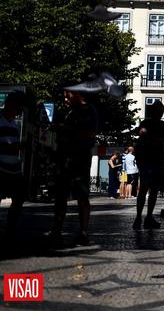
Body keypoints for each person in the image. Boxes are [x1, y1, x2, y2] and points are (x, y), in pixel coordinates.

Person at [49, 88, 99, 246]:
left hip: (80, 159)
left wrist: (66, 129)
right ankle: (57, 230)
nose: (65, 99)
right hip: (65, 158)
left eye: (67, 95)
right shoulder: (70, 112)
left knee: (82, 195)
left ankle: (83, 232)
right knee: (61, 195)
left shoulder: (89, 110)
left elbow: (90, 134)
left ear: (77, 93)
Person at [133, 101, 164, 230]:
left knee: (151, 189)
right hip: (149, 160)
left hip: (152, 160)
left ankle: (146, 217)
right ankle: (141, 217)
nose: (160, 113)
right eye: (159, 111)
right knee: (146, 189)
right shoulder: (152, 124)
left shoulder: (158, 124)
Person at [0, 92, 26, 236]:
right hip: (1, 166)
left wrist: (18, 147)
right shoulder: (1, 120)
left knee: (19, 197)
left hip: (13, 168)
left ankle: (11, 227)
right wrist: (13, 147)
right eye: (17, 107)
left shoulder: (13, 123)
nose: (19, 111)